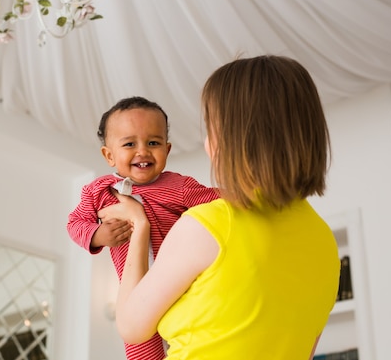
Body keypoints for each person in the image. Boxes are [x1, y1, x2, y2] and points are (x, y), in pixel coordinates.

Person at [100, 56, 340, 359]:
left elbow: (131, 326)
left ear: (237, 137)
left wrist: (139, 224)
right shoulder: (324, 241)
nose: (206, 144)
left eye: (212, 128)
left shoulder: (209, 224)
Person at [67, 96, 219, 360]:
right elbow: (74, 224)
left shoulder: (179, 187)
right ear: (109, 155)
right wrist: (98, 235)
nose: (143, 151)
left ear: (167, 150)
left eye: (153, 143)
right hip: (134, 292)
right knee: (141, 348)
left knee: (191, 341)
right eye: (129, 144)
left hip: (178, 284)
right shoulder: (98, 192)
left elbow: (219, 200)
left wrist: (253, 192)